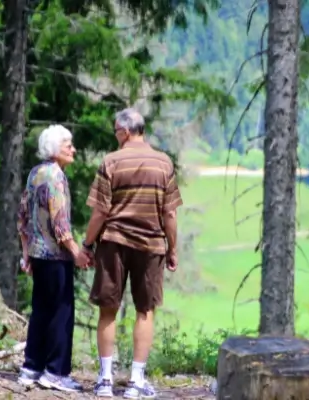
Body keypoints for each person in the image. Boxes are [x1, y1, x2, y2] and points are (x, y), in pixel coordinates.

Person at [81, 108, 183, 399]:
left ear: (125, 132)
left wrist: (87, 246)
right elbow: (171, 214)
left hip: (113, 243)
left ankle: (105, 380)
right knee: (145, 310)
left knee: (108, 310)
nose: (115, 136)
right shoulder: (164, 163)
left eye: (115, 131)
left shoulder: (111, 161)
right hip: (151, 246)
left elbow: (101, 212)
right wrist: (172, 249)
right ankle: (136, 382)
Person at [16, 124, 91, 393]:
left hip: (37, 255)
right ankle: (56, 372)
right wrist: (77, 254)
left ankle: (31, 367)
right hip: (56, 257)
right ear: (54, 148)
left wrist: (26, 254)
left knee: (40, 312)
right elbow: (61, 226)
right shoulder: (56, 177)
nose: (73, 149)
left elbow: (22, 216)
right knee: (61, 313)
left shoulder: (35, 173)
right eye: (67, 144)